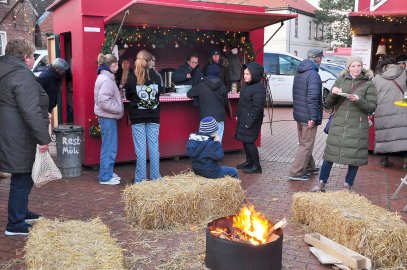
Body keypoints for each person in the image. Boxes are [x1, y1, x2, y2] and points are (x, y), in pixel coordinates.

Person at [0, 39, 51, 236]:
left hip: (10, 131)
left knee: (23, 175)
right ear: (25, 57)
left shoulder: (7, 71)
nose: (32, 61)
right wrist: (43, 138)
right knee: (22, 176)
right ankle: (15, 223)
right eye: (31, 57)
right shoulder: (21, 75)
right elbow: (30, 111)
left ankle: (21, 212)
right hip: (20, 134)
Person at [312, 56, 377, 192]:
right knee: (329, 155)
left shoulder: (369, 84)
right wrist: (333, 93)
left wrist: (359, 100)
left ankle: (348, 184)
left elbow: (371, 107)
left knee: (354, 157)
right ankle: (322, 181)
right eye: (353, 66)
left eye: (358, 65)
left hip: (357, 126)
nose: (356, 68)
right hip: (338, 124)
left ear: (362, 66)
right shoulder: (340, 80)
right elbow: (329, 104)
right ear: (348, 67)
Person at [125, 50, 163, 183]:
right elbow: (159, 94)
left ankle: (140, 179)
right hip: (153, 116)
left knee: (140, 149)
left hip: (137, 117)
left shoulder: (131, 78)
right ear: (149, 61)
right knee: (154, 148)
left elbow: (128, 96)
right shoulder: (156, 77)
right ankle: (155, 177)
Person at [288, 49, 324, 181]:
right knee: (306, 144)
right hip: (308, 115)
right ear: (318, 59)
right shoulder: (313, 74)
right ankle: (296, 172)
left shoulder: (300, 71)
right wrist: (313, 117)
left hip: (299, 113)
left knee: (304, 142)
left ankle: (309, 167)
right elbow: (313, 97)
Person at [372, 55, 407, 170]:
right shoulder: (403, 73)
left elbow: (373, 95)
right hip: (401, 108)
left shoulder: (376, 77)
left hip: (383, 110)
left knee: (385, 134)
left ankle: (384, 160)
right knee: (403, 135)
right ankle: (405, 162)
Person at [94, 54, 124, 185]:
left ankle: (107, 172)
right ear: (112, 65)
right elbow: (103, 101)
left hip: (106, 117)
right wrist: (118, 108)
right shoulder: (107, 79)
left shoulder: (104, 77)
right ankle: (105, 177)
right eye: (116, 65)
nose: (118, 67)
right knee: (109, 147)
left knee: (109, 146)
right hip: (108, 117)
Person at [187, 64, 231, 141]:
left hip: (206, 119)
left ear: (207, 73)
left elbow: (189, 94)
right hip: (219, 117)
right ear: (218, 73)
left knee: (205, 142)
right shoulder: (222, 86)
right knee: (217, 142)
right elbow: (225, 101)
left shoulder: (201, 85)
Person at [235, 62, 266, 174]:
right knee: (244, 140)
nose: (245, 76)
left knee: (249, 141)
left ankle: (256, 166)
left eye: (248, 74)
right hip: (244, 118)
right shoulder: (246, 86)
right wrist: (237, 115)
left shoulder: (259, 88)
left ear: (255, 74)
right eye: (244, 73)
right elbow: (242, 103)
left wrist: (249, 122)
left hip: (251, 120)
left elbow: (257, 108)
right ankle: (249, 162)